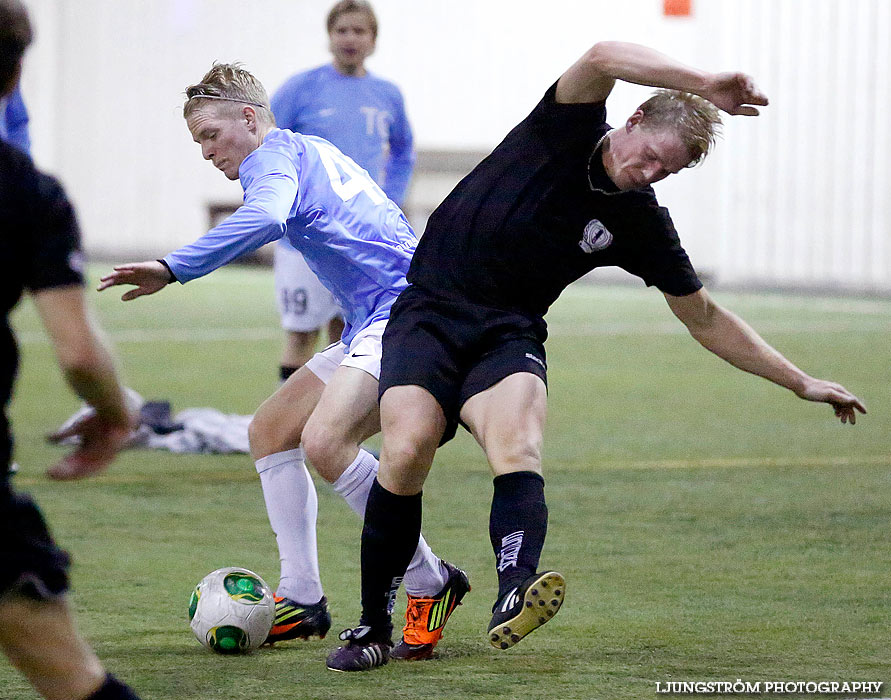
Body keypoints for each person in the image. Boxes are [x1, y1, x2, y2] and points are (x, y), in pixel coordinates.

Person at [327, 40, 868, 671]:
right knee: (406, 447)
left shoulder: (638, 220)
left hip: (508, 333)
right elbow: (604, 54)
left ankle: (513, 594)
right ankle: (371, 627)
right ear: (632, 121)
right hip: (430, 314)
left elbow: (705, 318)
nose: (650, 174)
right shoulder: (564, 129)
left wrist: (799, 381)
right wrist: (705, 82)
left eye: (667, 173)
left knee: (518, 446)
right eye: (652, 158)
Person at [98, 63, 466, 663]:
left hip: (405, 315)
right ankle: (303, 597)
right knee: (269, 431)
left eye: (210, 136)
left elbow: (267, 217)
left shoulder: (271, 160)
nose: (207, 152)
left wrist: (173, 266)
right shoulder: (305, 147)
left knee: (327, 444)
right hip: (381, 312)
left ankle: (429, 579)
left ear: (249, 117)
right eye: (198, 143)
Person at [0, 2, 141, 698]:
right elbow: (78, 353)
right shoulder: (26, 192)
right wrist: (117, 416)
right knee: (75, 681)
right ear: (14, 75)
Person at [270, 0, 414, 383]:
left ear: (373, 39)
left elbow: (402, 151)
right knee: (301, 333)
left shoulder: (387, 94)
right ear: (329, 37)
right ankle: (290, 433)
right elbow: (267, 149)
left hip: (359, 236)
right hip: (304, 235)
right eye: (342, 30)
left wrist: (391, 198)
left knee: (350, 336)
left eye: (359, 30)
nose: (350, 38)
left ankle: (332, 431)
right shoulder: (300, 89)